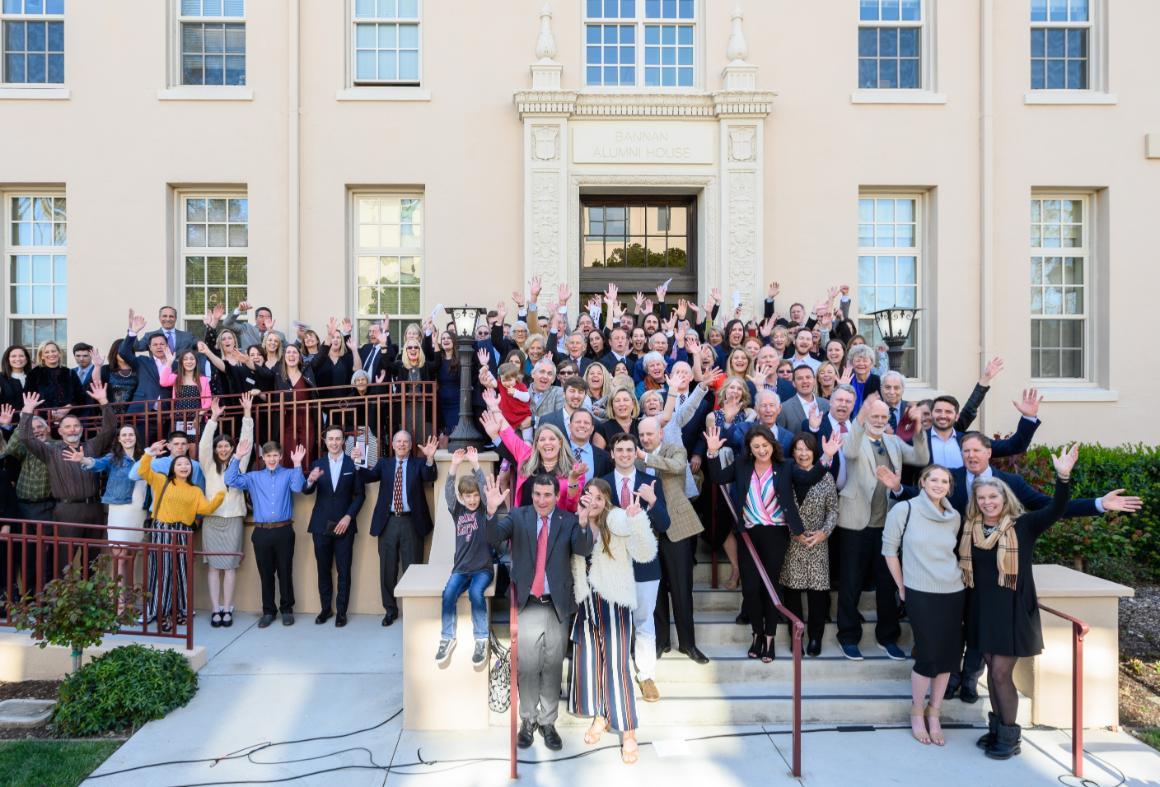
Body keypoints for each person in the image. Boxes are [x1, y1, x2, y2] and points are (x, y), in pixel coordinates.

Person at [962, 445, 1077, 760]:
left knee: (1001, 674)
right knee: (990, 670)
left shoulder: (1023, 526)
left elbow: (1057, 508)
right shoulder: (970, 529)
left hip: (1012, 611)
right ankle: (997, 729)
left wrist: (1063, 477)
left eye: (993, 497)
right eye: (982, 498)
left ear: (1005, 499)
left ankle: (1010, 737)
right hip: (983, 610)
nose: (988, 502)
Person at [705, 423, 835, 662]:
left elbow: (809, 477)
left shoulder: (785, 467)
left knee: (770, 588)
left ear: (772, 445)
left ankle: (769, 639)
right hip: (749, 535)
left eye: (765, 445)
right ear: (750, 448)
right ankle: (756, 634)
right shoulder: (743, 465)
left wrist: (827, 455)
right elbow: (717, 476)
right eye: (756, 446)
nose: (761, 450)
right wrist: (712, 452)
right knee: (751, 590)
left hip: (775, 534)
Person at [485, 473, 594, 752]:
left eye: (547, 495)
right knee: (528, 666)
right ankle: (528, 721)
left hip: (557, 605)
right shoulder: (518, 516)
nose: (542, 501)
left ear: (556, 496)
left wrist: (583, 523)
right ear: (530, 494)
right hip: (528, 603)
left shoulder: (568, 519)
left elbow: (583, 549)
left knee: (552, 664)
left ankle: (548, 722)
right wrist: (491, 511)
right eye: (537, 495)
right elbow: (493, 538)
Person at [568, 479, 656, 765]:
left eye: (598, 497)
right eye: (587, 495)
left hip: (613, 601)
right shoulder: (577, 520)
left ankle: (628, 730)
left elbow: (645, 553)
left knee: (616, 665)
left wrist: (637, 519)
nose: (592, 501)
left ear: (606, 501)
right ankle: (601, 716)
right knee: (592, 662)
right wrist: (581, 521)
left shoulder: (617, 520)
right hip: (586, 601)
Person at [834, 397, 928, 661]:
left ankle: (887, 637)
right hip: (855, 522)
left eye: (883, 418)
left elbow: (921, 457)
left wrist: (918, 427)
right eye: (874, 416)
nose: (879, 421)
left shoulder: (893, 442)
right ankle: (848, 637)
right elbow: (850, 452)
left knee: (887, 584)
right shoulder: (854, 437)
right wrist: (861, 416)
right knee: (851, 583)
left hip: (887, 523)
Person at [881, 464, 964, 747]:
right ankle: (917, 710)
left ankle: (935, 712)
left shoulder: (953, 516)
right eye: (934, 480)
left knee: (949, 657)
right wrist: (902, 586)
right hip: (920, 592)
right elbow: (889, 550)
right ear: (923, 482)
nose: (940, 485)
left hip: (953, 591)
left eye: (945, 481)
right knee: (928, 655)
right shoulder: (904, 510)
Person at [16, 384, 118, 575]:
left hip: (94, 510)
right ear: (60, 431)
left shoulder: (91, 447)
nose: (72, 430)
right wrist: (27, 412)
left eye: (76, 426)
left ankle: (90, 602)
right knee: (64, 562)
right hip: (66, 511)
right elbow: (26, 439)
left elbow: (110, 429)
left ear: (82, 428)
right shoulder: (51, 451)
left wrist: (104, 402)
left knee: (93, 563)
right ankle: (63, 604)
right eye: (68, 427)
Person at [602, 431, 669, 700]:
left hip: (645, 564)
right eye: (620, 450)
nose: (625, 454)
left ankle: (646, 675)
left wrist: (652, 502)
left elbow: (664, 525)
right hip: (614, 564)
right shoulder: (603, 484)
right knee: (615, 622)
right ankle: (614, 673)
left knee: (644, 620)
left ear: (636, 452)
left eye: (630, 450)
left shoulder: (650, 482)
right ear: (612, 454)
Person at [637, 417, 707, 664]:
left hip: (678, 527)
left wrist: (645, 458)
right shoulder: (634, 457)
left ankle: (688, 644)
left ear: (660, 433)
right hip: (649, 531)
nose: (645, 439)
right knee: (655, 591)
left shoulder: (674, 449)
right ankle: (661, 641)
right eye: (642, 435)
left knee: (681, 589)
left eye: (649, 434)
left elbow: (677, 467)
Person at [137, 441, 226, 630]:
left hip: (184, 533)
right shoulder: (162, 480)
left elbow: (205, 509)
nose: (184, 467)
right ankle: (161, 612)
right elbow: (143, 472)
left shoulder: (195, 490)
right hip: (163, 531)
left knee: (181, 573)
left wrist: (220, 495)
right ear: (173, 467)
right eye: (179, 464)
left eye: (187, 464)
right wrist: (149, 453)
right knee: (162, 572)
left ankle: (180, 610)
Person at [224, 439, 308, 628]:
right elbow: (229, 480)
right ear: (263, 457)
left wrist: (297, 465)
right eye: (268, 456)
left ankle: (287, 609)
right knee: (266, 574)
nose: (272, 459)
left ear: (280, 456)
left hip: (284, 530)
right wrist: (237, 456)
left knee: (285, 572)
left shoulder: (288, 474)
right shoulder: (254, 477)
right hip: (261, 532)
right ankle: (268, 611)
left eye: (275, 455)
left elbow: (297, 488)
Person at [357, 431, 438, 626]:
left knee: (413, 567)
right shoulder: (384, 464)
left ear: (411, 446)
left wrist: (429, 458)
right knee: (387, 568)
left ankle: (413, 610)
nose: (401, 445)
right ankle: (390, 610)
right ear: (392, 445)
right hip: (388, 522)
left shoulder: (419, 464)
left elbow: (430, 476)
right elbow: (367, 477)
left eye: (405, 442)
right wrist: (358, 461)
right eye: (398, 441)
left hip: (412, 522)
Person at [68, 423, 146, 613]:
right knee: (119, 559)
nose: (128, 438)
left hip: (139, 512)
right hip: (120, 512)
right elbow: (97, 464)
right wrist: (83, 460)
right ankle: (119, 605)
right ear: (119, 439)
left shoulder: (145, 457)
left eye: (131, 434)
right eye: (124, 435)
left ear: (136, 437)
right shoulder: (113, 458)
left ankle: (129, 602)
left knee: (132, 558)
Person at [778, 433, 839, 657]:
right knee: (792, 594)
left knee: (818, 595)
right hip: (793, 542)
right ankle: (796, 639)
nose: (803, 453)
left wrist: (824, 533)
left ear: (815, 452)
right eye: (798, 449)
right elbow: (779, 506)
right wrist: (792, 532)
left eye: (807, 449)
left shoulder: (826, 477)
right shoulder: (787, 474)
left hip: (818, 543)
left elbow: (833, 509)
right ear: (792, 452)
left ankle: (815, 638)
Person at [303, 424, 367, 628]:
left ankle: (341, 612)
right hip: (321, 525)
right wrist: (310, 482)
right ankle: (325, 609)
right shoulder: (317, 463)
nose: (334, 442)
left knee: (344, 570)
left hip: (344, 527)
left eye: (338, 439)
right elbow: (307, 491)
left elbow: (360, 495)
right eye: (330, 439)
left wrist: (348, 517)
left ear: (343, 441)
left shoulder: (352, 464)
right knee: (323, 570)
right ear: (325, 441)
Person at [199, 395, 254, 628]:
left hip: (232, 518)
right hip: (211, 520)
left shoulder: (238, 464)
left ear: (232, 449)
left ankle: (228, 608)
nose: (223, 449)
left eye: (226, 446)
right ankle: (216, 608)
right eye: (219, 446)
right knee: (213, 567)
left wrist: (248, 415)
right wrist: (213, 418)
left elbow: (246, 442)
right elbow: (203, 444)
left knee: (230, 567)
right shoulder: (208, 465)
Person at [436, 447, 491, 666]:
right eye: (468, 496)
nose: (472, 500)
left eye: (475, 495)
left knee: (476, 594)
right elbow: (449, 490)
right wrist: (454, 466)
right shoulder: (457, 511)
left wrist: (476, 464)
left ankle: (481, 638)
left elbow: (487, 492)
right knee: (448, 593)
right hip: (460, 568)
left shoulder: (483, 511)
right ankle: (447, 637)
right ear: (462, 497)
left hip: (482, 568)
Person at [480, 412, 581, 510]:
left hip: (557, 525)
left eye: (552, 439)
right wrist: (494, 408)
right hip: (524, 523)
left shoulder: (574, 469)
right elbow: (509, 435)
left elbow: (573, 507)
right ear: (536, 444)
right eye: (542, 440)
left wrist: (573, 481)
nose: (547, 443)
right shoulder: (527, 458)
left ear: (560, 443)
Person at [26, 341, 78, 420]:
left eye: (53, 351)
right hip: (42, 420)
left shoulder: (70, 373)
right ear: (42, 356)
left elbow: (80, 396)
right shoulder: (34, 374)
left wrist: (67, 408)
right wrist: (48, 412)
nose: (51, 354)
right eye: (46, 352)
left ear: (59, 353)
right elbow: (29, 396)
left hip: (68, 420)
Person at [778, 365, 828, 435]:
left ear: (814, 380)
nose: (805, 381)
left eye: (808, 377)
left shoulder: (826, 404)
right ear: (794, 383)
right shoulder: (784, 408)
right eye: (800, 378)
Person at [222, 301, 288, 351]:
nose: (264, 319)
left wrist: (298, 339)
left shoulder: (280, 335)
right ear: (255, 319)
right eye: (261, 316)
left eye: (267, 317)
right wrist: (238, 310)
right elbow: (227, 324)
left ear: (271, 319)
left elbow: (290, 350)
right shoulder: (246, 329)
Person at [132, 305, 197, 353]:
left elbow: (202, 347)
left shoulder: (187, 336)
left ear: (175, 319)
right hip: (158, 371)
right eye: (164, 316)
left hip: (180, 371)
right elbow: (136, 347)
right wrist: (134, 331)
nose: (168, 319)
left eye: (171, 316)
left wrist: (207, 326)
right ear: (159, 318)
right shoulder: (149, 336)